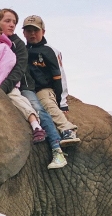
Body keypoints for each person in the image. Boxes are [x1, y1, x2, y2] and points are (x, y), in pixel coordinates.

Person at [0, 8, 68, 169]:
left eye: (14, 22)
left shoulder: (18, 45)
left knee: (38, 109)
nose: (12, 25)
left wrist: (1, 89)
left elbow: (19, 70)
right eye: (7, 21)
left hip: (23, 87)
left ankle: (57, 148)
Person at [0, 20, 48, 147]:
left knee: (17, 99)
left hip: (2, 86)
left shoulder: (3, 49)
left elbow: (5, 67)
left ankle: (36, 125)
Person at [22, 15, 80, 145]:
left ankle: (67, 129)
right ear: (23, 33)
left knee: (47, 103)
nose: (32, 34)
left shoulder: (50, 51)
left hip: (45, 89)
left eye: (35, 30)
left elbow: (60, 76)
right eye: (29, 30)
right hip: (27, 90)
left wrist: (63, 102)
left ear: (43, 31)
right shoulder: (22, 51)